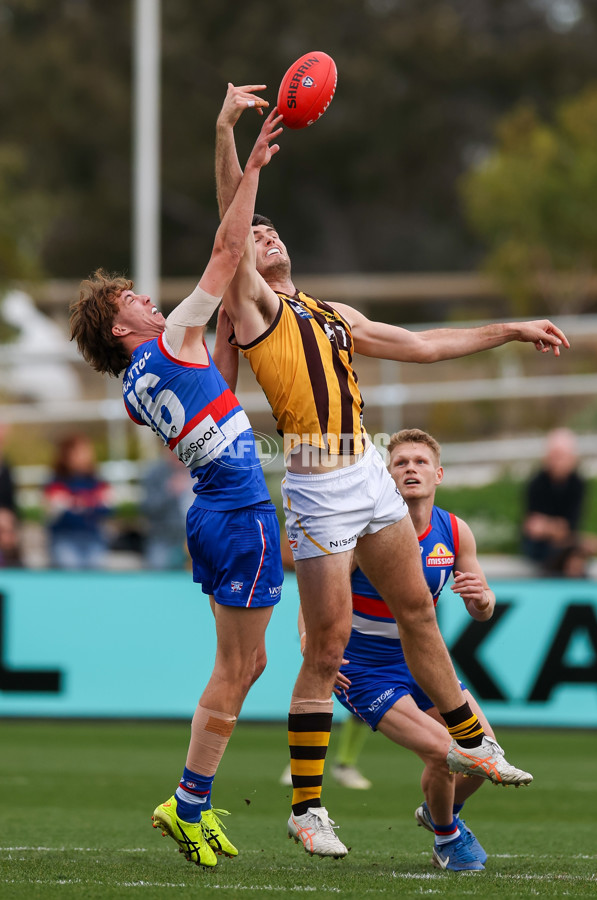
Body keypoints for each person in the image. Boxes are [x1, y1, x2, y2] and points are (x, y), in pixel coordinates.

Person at [215, 83, 567, 858]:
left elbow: (426, 345)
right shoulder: (250, 310)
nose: (265, 237)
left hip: (367, 470)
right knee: (327, 648)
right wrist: (236, 154)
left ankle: (475, 741)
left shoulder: (333, 316)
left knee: (417, 610)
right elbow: (229, 242)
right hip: (314, 481)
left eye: (273, 230)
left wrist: (508, 328)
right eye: (257, 231)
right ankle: (308, 808)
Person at [70, 109, 284, 869]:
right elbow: (228, 250)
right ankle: (187, 803)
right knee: (236, 669)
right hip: (239, 510)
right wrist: (246, 157)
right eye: (131, 299)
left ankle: (190, 799)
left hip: (213, 510)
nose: (145, 299)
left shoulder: (135, 386)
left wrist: (224, 334)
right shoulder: (163, 341)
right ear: (120, 327)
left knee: (247, 664)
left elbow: (211, 390)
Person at [332, 428, 500, 871]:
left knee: (485, 753)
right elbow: (321, 596)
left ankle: (437, 814)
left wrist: (482, 601)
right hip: (364, 668)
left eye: (420, 462)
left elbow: (484, 607)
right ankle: (447, 840)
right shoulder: (365, 529)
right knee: (446, 752)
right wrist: (317, 652)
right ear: (388, 476)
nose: (411, 468)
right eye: (401, 462)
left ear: (438, 474)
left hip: (424, 663)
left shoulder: (455, 531)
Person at [522, 428, 597, 577]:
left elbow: (568, 526)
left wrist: (548, 527)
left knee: (576, 559)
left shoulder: (577, 484)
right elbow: (533, 529)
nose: (557, 461)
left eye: (561, 456)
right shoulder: (537, 483)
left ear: (572, 458)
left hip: (566, 544)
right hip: (540, 549)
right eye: (554, 456)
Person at [43, 433, 112, 570]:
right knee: (70, 576)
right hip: (65, 538)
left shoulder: (96, 480)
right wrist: (88, 503)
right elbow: (56, 511)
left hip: (93, 538)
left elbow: (107, 508)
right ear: (67, 455)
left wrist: (76, 503)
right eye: (80, 452)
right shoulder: (56, 481)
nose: (86, 456)